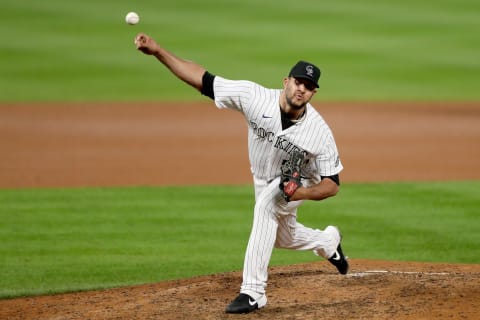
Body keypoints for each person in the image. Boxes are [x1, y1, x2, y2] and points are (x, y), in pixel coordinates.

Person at [134, 33, 349, 314]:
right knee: (282, 238)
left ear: (313, 93)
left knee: (266, 207)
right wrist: (159, 51)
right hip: (262, 177)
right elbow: (203, 79)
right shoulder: (255, 98)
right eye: (298, 82)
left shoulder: (318, 132)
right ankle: (327, 241)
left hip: (296, 180)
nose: (301, 90)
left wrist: (302, 192)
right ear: (286, 81)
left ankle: (253, 292)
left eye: (308, 87)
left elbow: (332, 184)